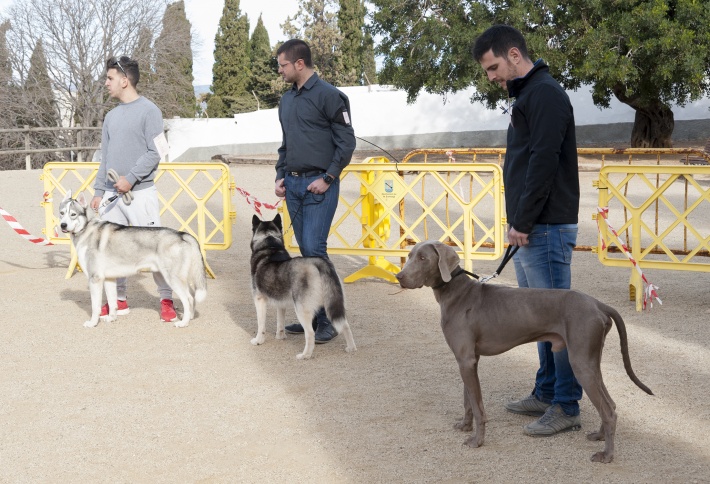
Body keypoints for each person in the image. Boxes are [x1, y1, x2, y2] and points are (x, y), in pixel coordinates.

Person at [472, 25, 583, 435]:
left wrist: (523, 220)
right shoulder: (529, 95)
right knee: (537, 318)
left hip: (545, 226)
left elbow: (543, 164)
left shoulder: (546, 95)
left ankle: (567, 405)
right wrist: (517, 219)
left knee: (558, 320)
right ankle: (546, 390)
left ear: (515, 54)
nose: (492, 77)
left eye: (494, 67)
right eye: (488, 71)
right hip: (533, 225)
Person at [274, 39, 356, 343]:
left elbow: (347, 143)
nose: (279, 70)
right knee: (306, 252)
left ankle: (333, 320)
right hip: (293, 185)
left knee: (313, 249)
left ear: (299, 64)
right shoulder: (286, 100)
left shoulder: (331, 96)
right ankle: (313, 316)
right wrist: (280, 175)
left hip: (319, 185)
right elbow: (285, 144)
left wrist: (329, 177)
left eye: (282, 65)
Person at [90, 55, 177, 323]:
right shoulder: (110, 117)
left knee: (154, 246)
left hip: (141, 193)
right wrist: (98, 191)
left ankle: (166, 299)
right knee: (111, 249)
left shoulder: (150, 111)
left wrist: (131, 178)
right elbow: (105, 157)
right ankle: (118, 300)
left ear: (125, 81)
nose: (106, 83)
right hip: (111, 197)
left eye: (110, 78)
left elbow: (157, 152)